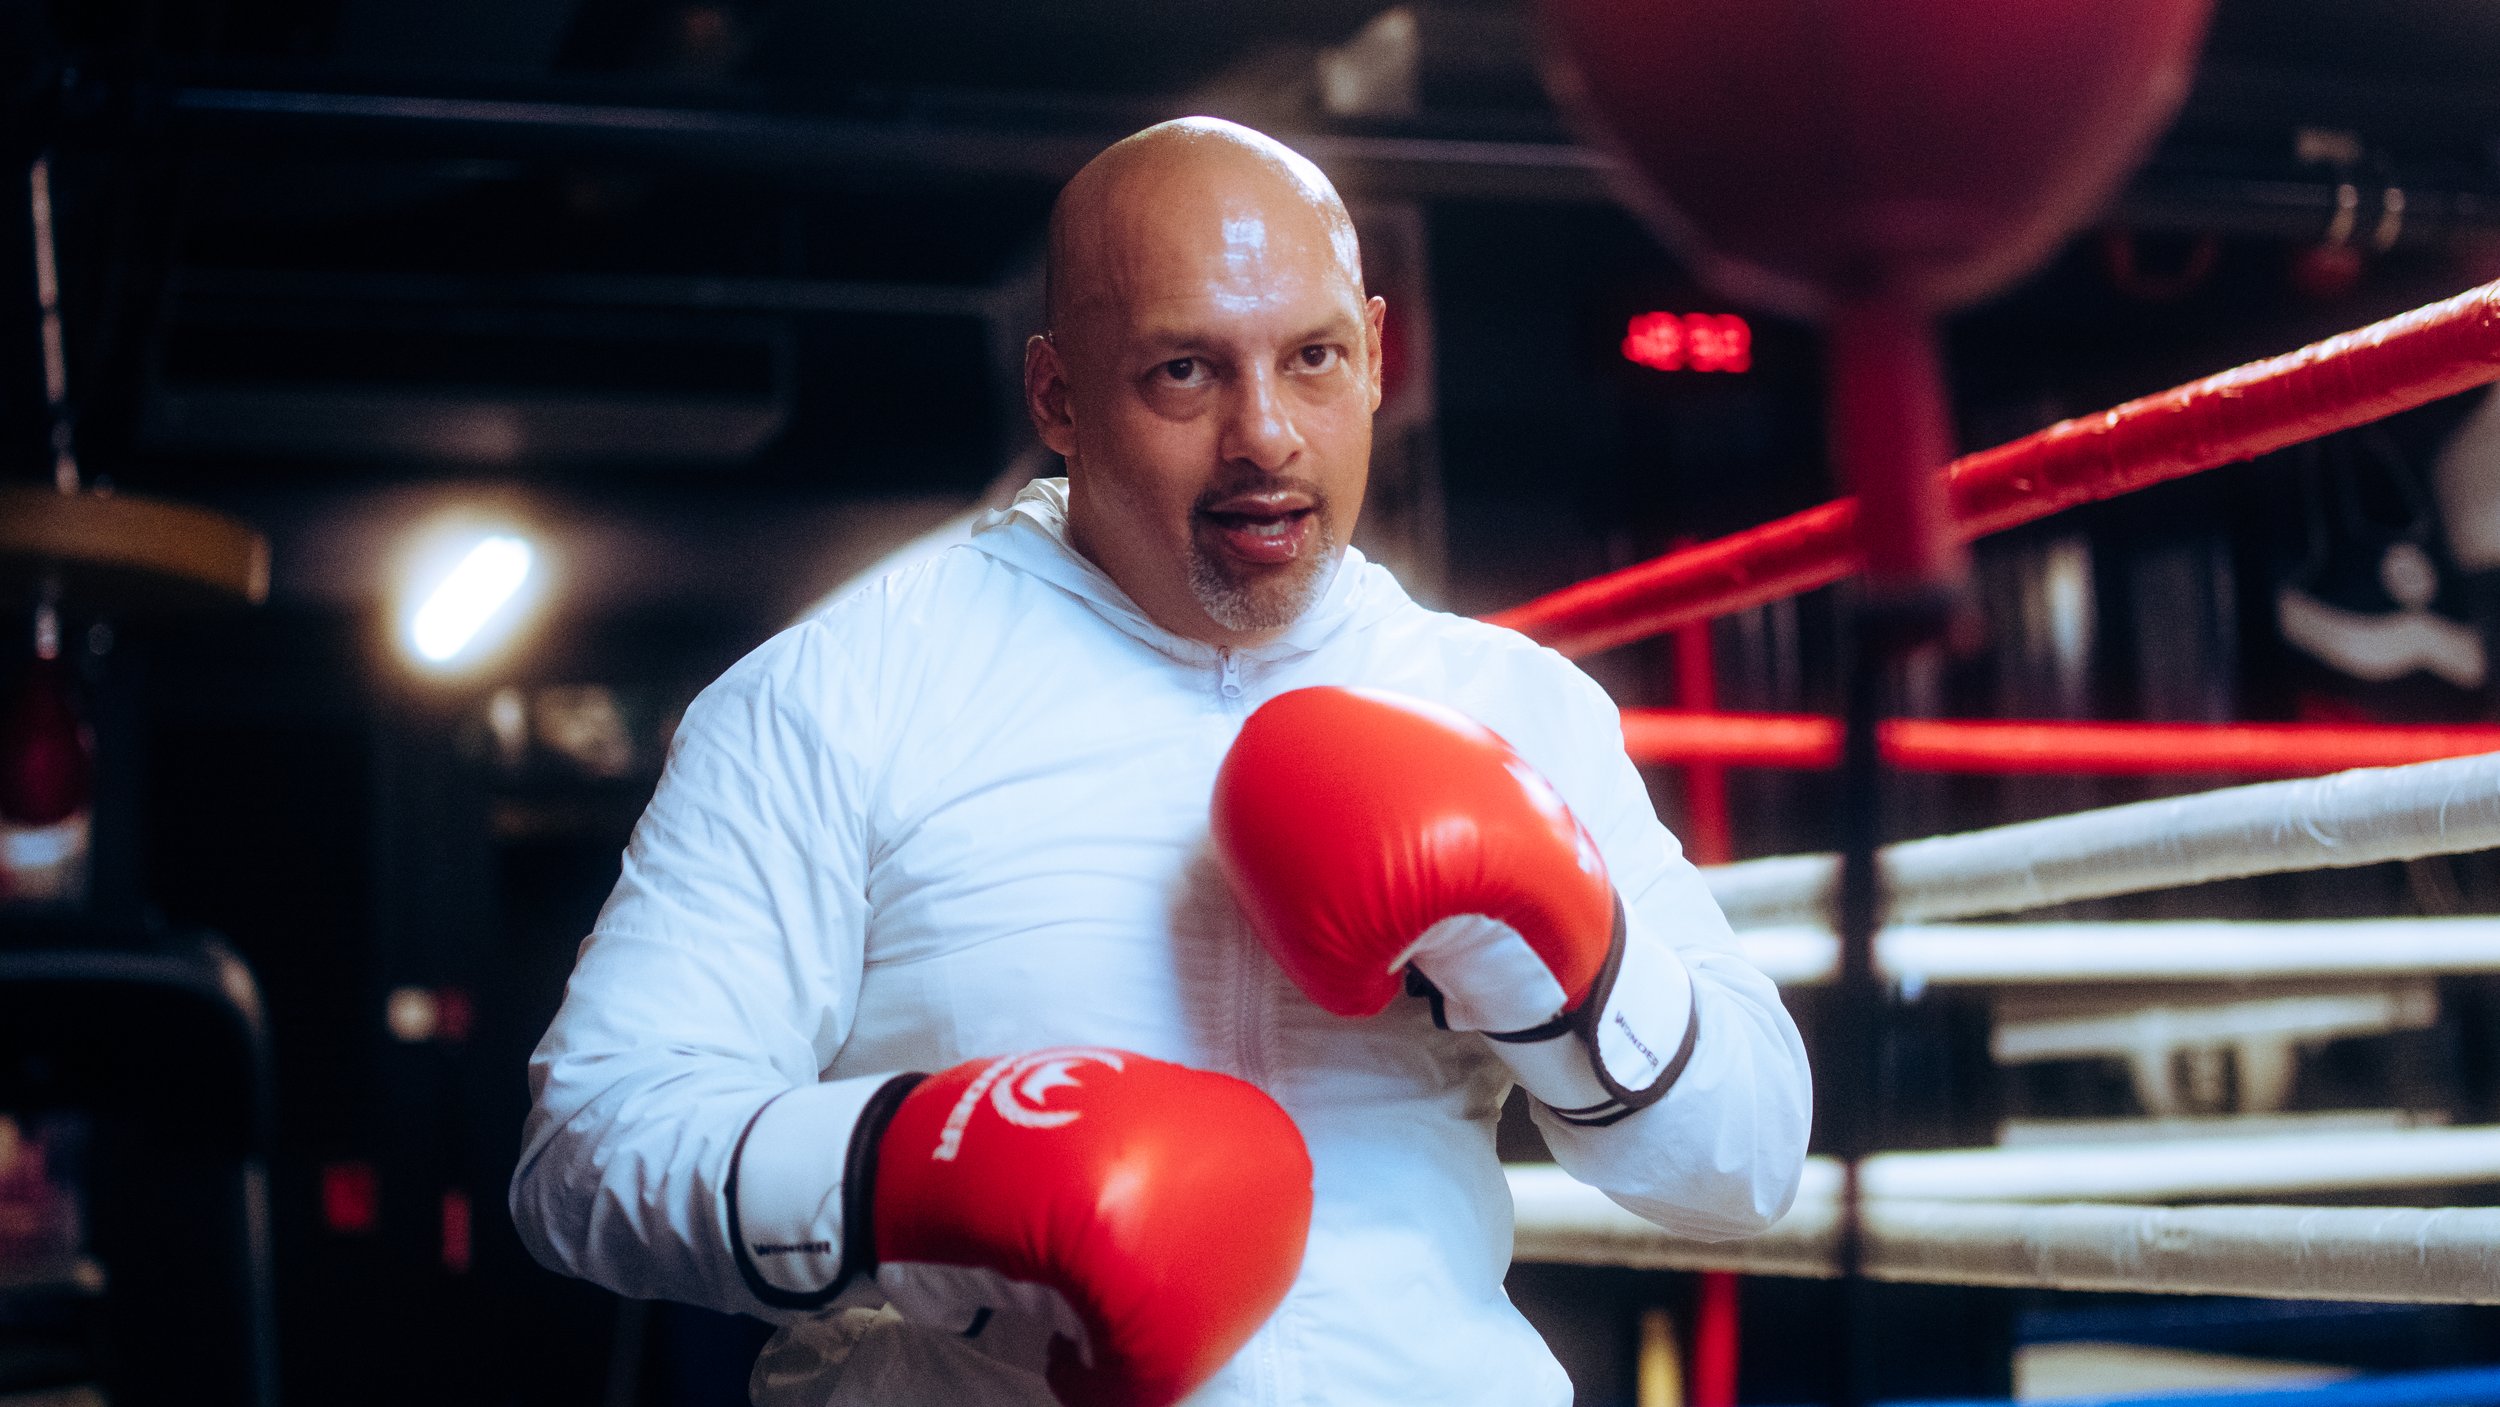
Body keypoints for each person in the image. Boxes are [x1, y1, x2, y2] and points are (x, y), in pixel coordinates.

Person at [511, 115, 1812, 1406]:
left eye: (1312, 358)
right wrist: (908, 1166)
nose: (1266, 436)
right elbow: (588, 1156)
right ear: (1059, 395)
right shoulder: (839, 696)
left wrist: (1572, 973)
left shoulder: (1510, 704)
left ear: (1372, 356)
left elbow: (1745, 1165)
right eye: (1185, 372)